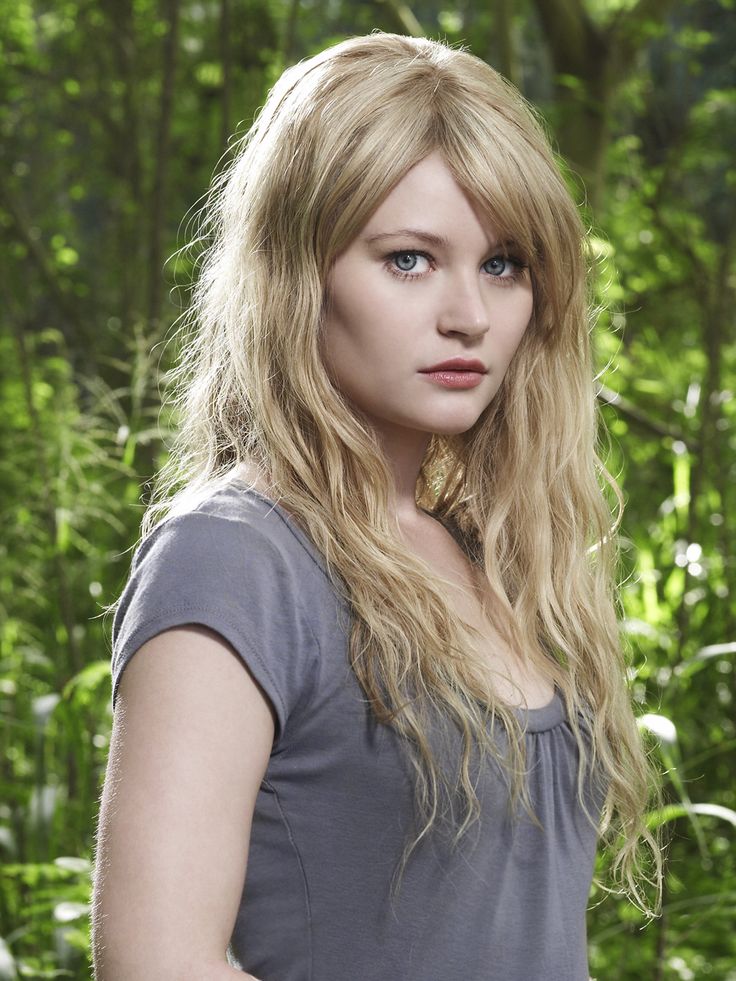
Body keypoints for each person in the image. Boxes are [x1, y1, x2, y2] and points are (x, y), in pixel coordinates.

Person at [91, 31, 661, 981]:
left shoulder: (486, 554)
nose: (469, 315)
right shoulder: (236, 557)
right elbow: (157, 963)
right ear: (296, 272)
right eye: (408, 259)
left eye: (504, 263)